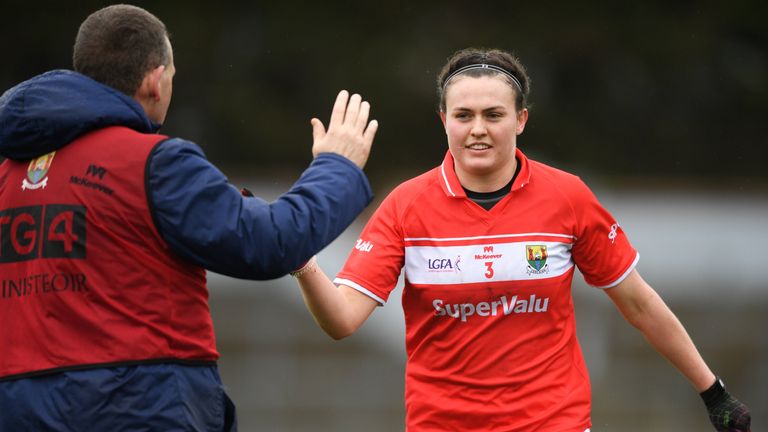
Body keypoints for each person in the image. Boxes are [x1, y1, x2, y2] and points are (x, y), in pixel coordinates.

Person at [292, 48, 751, 431]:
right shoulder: (405, 206)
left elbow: (640, 304)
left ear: (521, 120)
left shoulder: (567, 196)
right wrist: (299, 257)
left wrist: (713, 392)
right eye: (463, 115)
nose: (477, 129)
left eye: (494, 114)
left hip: (555, 422)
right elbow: (342, 320)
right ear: (443, 120)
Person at [0, 4, 378, 432]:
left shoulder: (8, 178)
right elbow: (271, 242)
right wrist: (337, 167)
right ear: (155, 81)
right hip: (137, 407)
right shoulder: (153, 163)